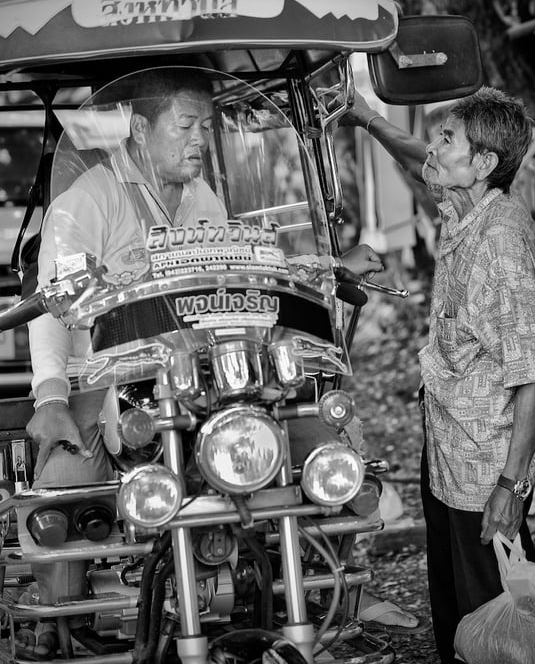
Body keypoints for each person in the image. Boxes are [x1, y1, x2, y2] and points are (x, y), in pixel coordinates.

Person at [21, 67, 416, 658]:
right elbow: (52, 306)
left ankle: (327, 583)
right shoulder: (87, 202)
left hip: (208, 381)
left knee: (330, 442)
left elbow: (237, 268)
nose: (200, 139)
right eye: (185, 125)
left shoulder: (202, 196)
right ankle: (60, 620)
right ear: (139, 127)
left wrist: (318, 269)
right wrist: (51, 399)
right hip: (113, 385)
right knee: (65, 486)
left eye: (206, 126)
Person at [338, 86, 535, 663]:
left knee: (499, 623)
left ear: (482, 164)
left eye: (447, 138)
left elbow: (534, 372)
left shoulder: (501, 240)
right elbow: (412, 154)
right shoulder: (464, 204)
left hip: (486, 469)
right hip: (448, 449)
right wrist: (368, 118)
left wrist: (512, 485)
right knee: (457, 613)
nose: (433, 146)